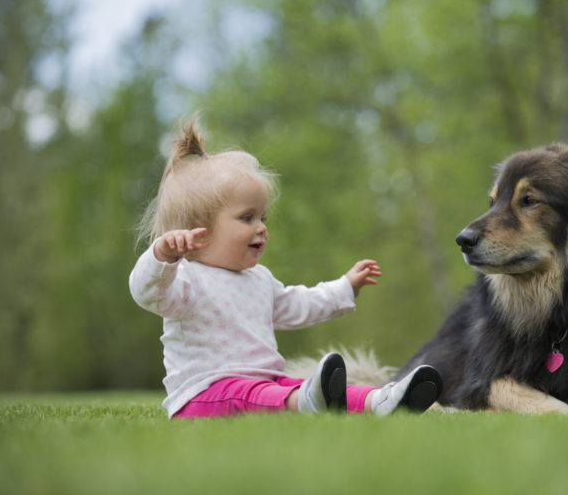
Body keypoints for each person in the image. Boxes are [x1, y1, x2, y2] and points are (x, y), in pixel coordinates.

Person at [129, 115, 442, 419]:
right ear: (201, 230)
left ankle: (380, 400)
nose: (262, 228)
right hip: (204, 395)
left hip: (266, 386)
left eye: (262, 218)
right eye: (247, 218)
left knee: (292, 387)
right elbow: (147, 292)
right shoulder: (186, 280)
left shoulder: (259, 280)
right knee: (253, 393)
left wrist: (344, 287)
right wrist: (161, 255)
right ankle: (308, 402)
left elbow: (298, 303)